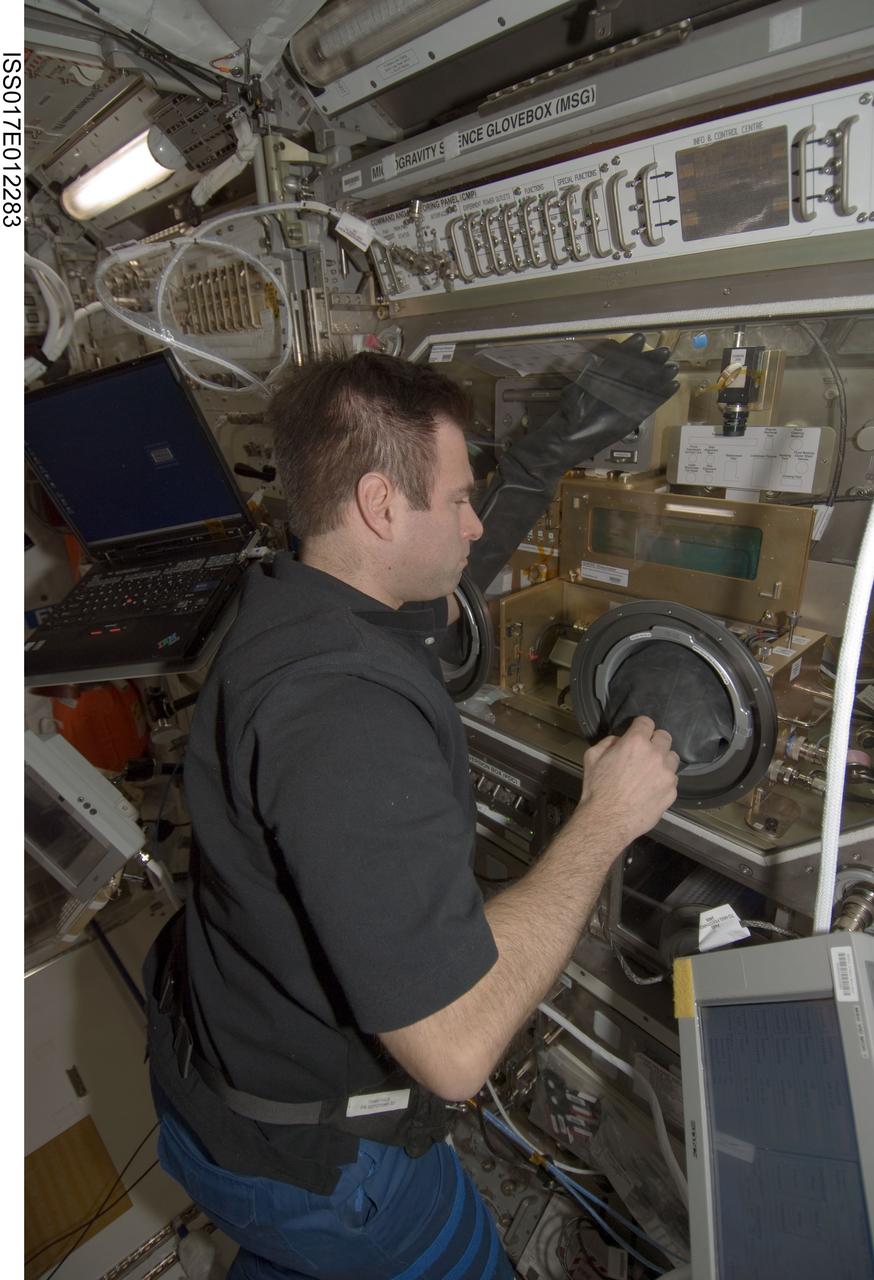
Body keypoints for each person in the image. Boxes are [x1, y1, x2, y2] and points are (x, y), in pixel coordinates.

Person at [144, 342, 681, 1280]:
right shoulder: (342, 717)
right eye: (458, 501)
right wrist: (609, 816)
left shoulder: (294, 594)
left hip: (216, 1102)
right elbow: (457, 1050)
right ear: (380, 507)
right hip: (327, 1173)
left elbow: (444, 580)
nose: (474, 526)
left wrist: (548, 453)